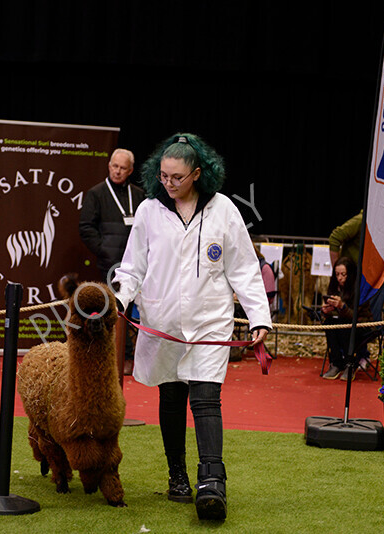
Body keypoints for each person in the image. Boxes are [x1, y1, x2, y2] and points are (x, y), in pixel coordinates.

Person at [111, 133, 271, 521]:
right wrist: (119, 298)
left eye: (177, 177)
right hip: (162, 324)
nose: (169, 183)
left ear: (198, 174)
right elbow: (133, 266)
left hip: (208, 324)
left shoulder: (224, 210)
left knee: (205, 398)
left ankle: (212, 481)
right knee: (171, 398)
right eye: (163, 175)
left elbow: (245, 269)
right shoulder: (150, 210)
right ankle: (177, 475)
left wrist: (259, 316)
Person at [79, 148, 145, 374]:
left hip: (140, 264)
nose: (118, 171)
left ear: (130, 170)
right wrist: (103, 251)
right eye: (114, 166)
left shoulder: (139, 195)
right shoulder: (96, 194)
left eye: (123, 168)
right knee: (117, 311)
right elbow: (86, 227)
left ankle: (143, 358)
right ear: (109, 166)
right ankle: (120, 358)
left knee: (145, 309)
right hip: (111, 265)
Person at [320, 257, 371, 380]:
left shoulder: (359, 289)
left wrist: (342, 307)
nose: (339, 278)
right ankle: (336, 363)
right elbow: (332, 315)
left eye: (343, 274)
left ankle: (351, 364)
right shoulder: (334, 287)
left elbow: (356, 316)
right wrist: (326, 311)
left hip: (361, 325)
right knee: (329, 323)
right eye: (337, 274)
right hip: (341, 323)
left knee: (344, 323)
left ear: (351, 274)